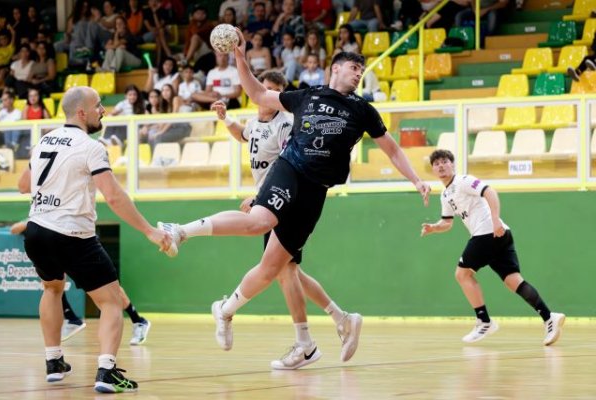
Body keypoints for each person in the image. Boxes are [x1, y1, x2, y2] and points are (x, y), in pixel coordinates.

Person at [158, 29, 431, 370]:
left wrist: (417, 179)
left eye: (361, 70)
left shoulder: (363, 110)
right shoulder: (307, 96)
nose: (358, 73)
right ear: (335, 70)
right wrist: (241, 57)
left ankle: (235, 314)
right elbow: (257, 92)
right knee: (261, 222)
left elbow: (391, 149)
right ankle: (180, 231)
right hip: (290, 170)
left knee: (277, 268)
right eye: (352, 68)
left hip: (316, 191)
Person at [18, 86, 170, 392]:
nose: (104, 110)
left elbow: (24, 185)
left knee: (51, 289)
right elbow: (113, 196)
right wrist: (149, 230)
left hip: (36, 230)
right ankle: (106, 372)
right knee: (112, 302)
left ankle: (54, 361)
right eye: (99, 105)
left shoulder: (44, 140)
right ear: (81, 112)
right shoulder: (91, 146)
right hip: (72, 234)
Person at [209, 70, 363, 365]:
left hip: (280, 201)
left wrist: (260, 197)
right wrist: (226, 119)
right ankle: (330, 326)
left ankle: (231, 312)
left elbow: (287, 164)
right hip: (272, 199)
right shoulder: (256, 123)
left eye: (273, 91)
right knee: (288, 271)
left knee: (282, 271)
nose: (266, 94)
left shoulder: (287, 125)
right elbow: (244, 135)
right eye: (264, 88)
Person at [420, 149, 565, 345]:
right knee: (513, 281)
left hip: (488, 231)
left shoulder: (463, 181)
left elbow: (490, 191)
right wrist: (434, 228)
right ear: (433, 169)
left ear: (452, 164)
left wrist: (495, 219)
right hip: (498, 235)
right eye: (436, 163)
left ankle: (484, 321)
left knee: (462, 274)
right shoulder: (445, 195)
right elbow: (447, 222)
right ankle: (550, 317)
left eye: (445, 161)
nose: (441, 166)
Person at [11, 217, 153, 346]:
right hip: (58, 238)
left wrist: (27, 224)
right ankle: (71, 319)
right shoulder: (43, 208)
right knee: (54, 283)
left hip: (80, 239)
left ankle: (138, 321)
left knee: (107, 289)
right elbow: (16, 227)